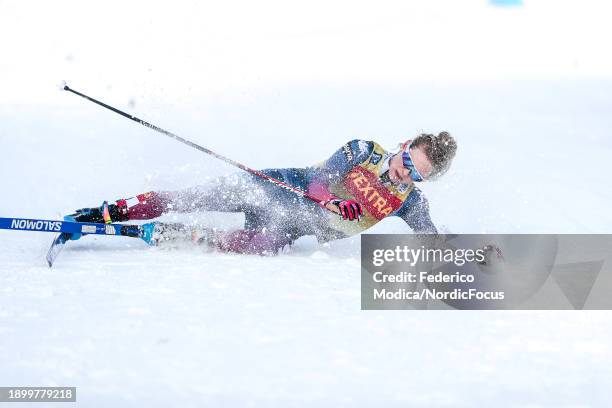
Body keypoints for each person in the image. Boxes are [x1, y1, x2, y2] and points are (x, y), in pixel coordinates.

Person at [67, 132, 457, 254]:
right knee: (198, 197)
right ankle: (109, 212)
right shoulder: (364, 151)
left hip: (288, 225)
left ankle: (168, 234)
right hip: (277, 188)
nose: (403, 172)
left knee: (256, 245)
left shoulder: (408, 201)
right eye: (407, 160)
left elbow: (431, 237)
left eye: (416, 175)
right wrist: (336, 201)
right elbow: (322, 179)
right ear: (404, 145)